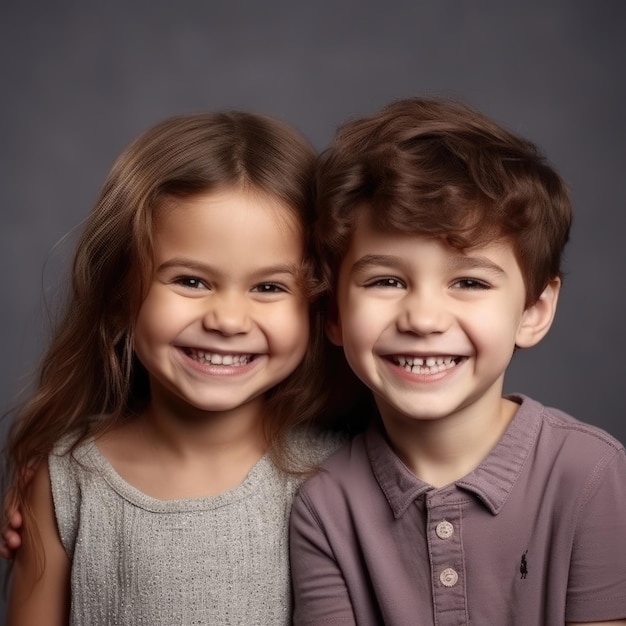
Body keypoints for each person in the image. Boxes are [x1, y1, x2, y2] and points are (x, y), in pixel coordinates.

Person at [289, 97, 626, 625]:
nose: (423, 318)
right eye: (386, 281)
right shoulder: (326, 504)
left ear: (533, 311)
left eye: (468, 282)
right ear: (333, 313)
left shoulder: (590, 474)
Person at [2, 110, 342, 625]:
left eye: (269, 287)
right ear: (119, 295)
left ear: (319, 308)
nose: (228, 319)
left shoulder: (342, 473)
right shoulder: (68, 481)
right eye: (190, 281)